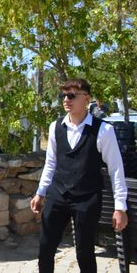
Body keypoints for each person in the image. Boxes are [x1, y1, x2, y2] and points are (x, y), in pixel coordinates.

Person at [30, 78, 128, 273]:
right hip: (58, 195)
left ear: (87, 99)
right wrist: (40, 193)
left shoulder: (103, 130)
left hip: (87, 198)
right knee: (45, 248)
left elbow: (116, 169)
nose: (66, 99)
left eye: (72, 95)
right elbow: (51, 163)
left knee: (84, 253)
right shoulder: (55, 127)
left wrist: (120, 207)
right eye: (64, 95)